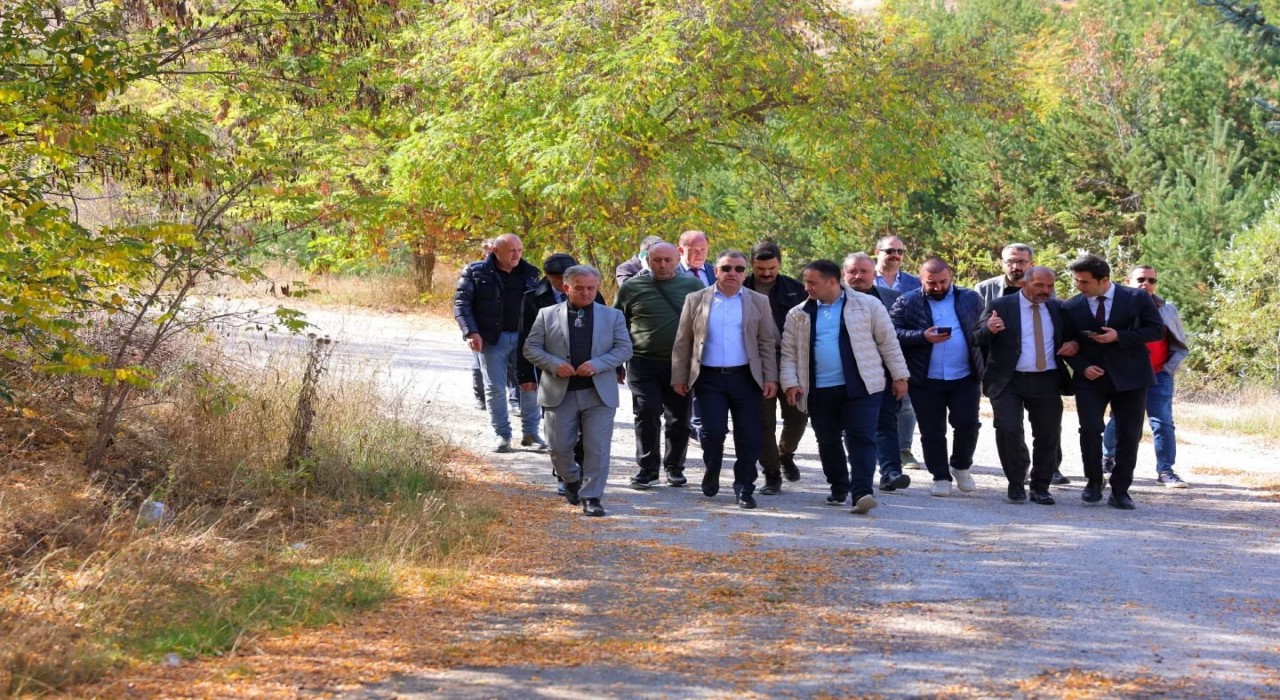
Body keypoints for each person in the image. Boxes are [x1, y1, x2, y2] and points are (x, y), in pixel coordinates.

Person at [781, 260, 910, 514]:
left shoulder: (868, 305)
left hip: (862, 386)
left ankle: (862, 492)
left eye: (812, 282)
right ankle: (839, 486)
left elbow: (888, 343)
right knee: (827, 440)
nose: (807, 287)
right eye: (806, 282)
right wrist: (791, 383)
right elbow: (788, 355)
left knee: (861, 437)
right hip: (818, 388)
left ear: (831, 282)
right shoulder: (798, 314)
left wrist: (900, 376)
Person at [671, 250, 779, 509]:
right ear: (716, 271)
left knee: (749, 435)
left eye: (739, 269)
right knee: (711, 432)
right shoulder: (696, 299)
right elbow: (683, 341)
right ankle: (712, 468)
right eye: (727, 268)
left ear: (745, 273)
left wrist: (771, 377)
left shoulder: (758, 301)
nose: (733, 273)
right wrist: (679, 375)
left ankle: (744, 487)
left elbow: (766, 342)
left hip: (746, 377)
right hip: (708, 378)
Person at [523, 265, 633, 517]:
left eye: (591, 288)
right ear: (566, 288)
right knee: (558, 447)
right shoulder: (546, 314)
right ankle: (571, 478)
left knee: (597, 447)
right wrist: (553, 364)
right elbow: (531, 348)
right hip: (559, 393)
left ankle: (592, 496)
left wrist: (598, 364)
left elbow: (624, 349)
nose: (586, 293)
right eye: (579, 288)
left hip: (598, 394)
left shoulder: (612, 316)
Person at [1060, 254, 1164, 510]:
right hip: (1091, 379)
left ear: (1104, 280)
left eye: (1084, 282)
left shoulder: (1137, 298)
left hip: (1131, 377)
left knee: (1129, 435)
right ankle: (1094, 482)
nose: (1079, 287)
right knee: (1090, 430)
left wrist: (1120, 336)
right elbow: (1065, 345)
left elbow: (1155, 330)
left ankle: (1120, 490)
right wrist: (1083, 367)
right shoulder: (1071, 306)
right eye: (1076, 281)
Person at [973, 266, 1074, 505]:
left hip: (1047, 379)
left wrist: (1073, 345)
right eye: (1039, 285)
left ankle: (1041, 487)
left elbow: (1071, 337)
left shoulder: (1058, 308)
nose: (1045, 291)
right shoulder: (1002, 305)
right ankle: (1016, 482)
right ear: (1024, 284)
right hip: (1009, 380)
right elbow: (975, 337)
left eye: (1049, 286)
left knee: (1048, 435)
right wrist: (988, 329)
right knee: (1009, 430)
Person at [890, 258, 985, 497]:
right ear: (921, 279)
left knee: (967, 424)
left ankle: (961, 465)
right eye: (932, 283)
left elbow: (982, 329)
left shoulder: (970, 298)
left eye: (943, 281)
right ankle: (940, 476)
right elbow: (892, 333)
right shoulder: (907, 300)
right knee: (932, 430)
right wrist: (922, 336)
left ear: (950, 276)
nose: (939, 286)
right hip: (925, 378)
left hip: (965, 375)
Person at [613, 242, 704, 489]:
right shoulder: (632, 287)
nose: (662, 265)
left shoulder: (693, 286)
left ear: (677, 259)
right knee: (647, 412)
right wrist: (616, 362)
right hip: (643, 362)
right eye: (657, 260)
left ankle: (674, 467)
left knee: (679, 419)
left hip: (680, 365)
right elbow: (617, 323)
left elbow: (704, 325)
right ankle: (647, 469)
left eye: (667, 260)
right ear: (647, 260)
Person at [517, 253, 605, 495]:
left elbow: (606, 339)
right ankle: (564, 475)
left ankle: (583, 478)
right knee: (559, 437)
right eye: (556, 278)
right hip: (554, 376)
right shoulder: (534, 299)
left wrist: (612, 367)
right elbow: (526, 339)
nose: (558, 282)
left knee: (588, 436)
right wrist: (525, 376)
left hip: (590, 378)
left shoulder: (592, 294)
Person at [1102, 265, 1191, 488]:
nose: (1147, 284)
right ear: (1128, 281)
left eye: (1152, 280)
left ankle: (1166, 471)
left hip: (1159, 374)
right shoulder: (1116, 307)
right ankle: (1107, 458)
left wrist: (1169, 368)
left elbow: (1180, 341)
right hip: (1128, 374)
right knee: (1119, 419)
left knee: (1162, 423)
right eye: (1141, 279)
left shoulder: (1166, 309)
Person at [453, 233, 543, 452]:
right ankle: (501, 436)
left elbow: (542, 306)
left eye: (520, 250)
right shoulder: (475, 272)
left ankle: (531, 433)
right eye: (511, 250)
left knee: (530, 386)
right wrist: (471, 332)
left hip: (525, 339)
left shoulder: (530, 273)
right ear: (495, 251)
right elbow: (461, 304)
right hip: (492, 339)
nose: (516, 255)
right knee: (495, 389)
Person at [744, 241, 809, 494]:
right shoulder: (742, 287)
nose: (767, 273)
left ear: (779, 264)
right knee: (762, 421)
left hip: (791, 360)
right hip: (757, 362)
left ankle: (785, 453)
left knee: (798, 416)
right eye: (761, 268)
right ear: (752, 265)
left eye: (772, 268)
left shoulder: (796, 289)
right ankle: (771, 473)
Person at [842, 253, 911, 493]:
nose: (858, 276)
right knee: (852, 427)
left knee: (886, 423)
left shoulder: (893, 299)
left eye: (863, 271)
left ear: (874, 274)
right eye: (852, 271)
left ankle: (891, 472)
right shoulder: (832, 299)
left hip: (883, 373)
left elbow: (896, 340)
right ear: (844, 274)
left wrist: (900, 376)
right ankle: (859, 473)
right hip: (845, 374)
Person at [873, 234, 922, 470]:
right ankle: (867, 447)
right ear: (877, 252)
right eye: (890, 251)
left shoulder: (914, 283)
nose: (895, 256)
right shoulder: (863, 277)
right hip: (868, 349)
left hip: (904, 348)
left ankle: (903, 449)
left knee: (906, 402)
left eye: (900, 252)